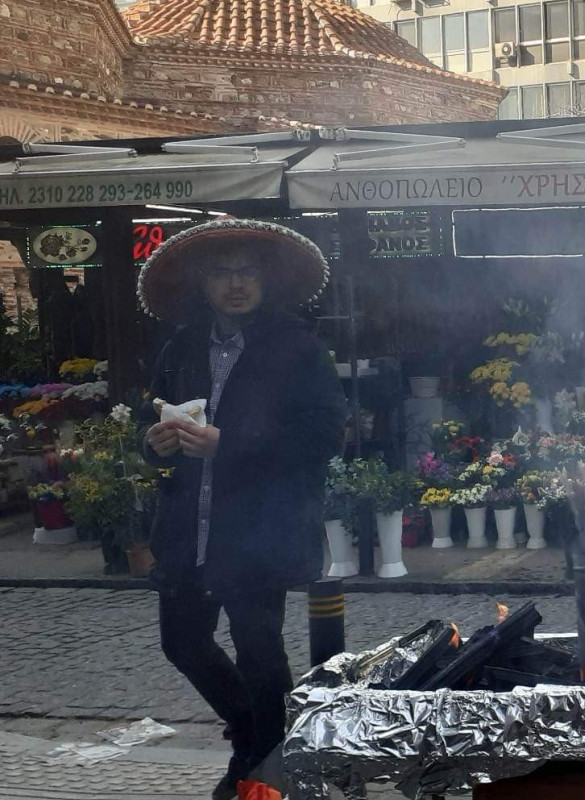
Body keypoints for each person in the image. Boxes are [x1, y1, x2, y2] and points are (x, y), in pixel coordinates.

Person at [136, 219, 345, 799]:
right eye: (222, 273)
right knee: (182, 642)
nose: (235, 284)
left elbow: (324, 435)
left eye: (247, 272)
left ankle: (265, 768)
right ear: (203, 283)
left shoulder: (298, 347)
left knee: (259, 651)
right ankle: (253, 735)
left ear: (265, 279)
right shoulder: (181, 347)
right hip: (188, 527)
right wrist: (152, 443)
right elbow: (149, 418)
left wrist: (229, 445)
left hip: (259, 529)